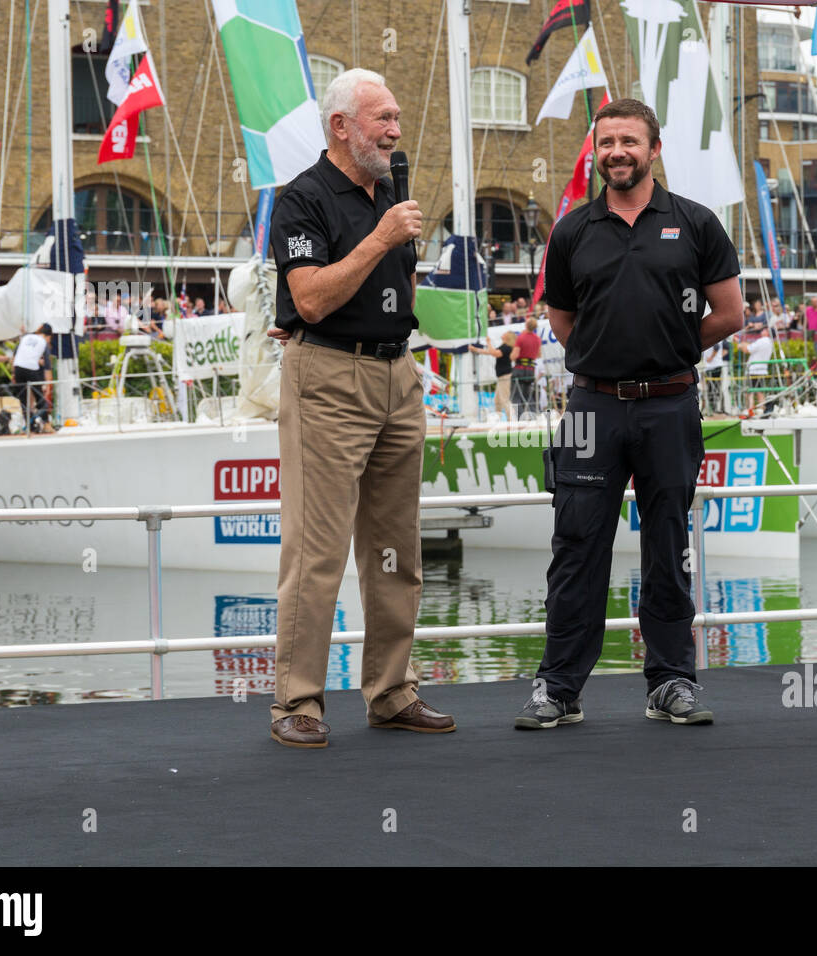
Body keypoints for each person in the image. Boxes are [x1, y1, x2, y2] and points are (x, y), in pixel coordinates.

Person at [515, 98, 742, 730]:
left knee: (668, 545)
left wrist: (667, 348)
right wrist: (607, 355)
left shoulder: (696, 224)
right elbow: (561, 319)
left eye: (629, 141)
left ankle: (671, 680)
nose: (617, 151)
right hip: (591, 405)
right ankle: (558, 687)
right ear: (597, 150)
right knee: (576, 544)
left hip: (669, 405)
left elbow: (729, 313)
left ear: (653, 149)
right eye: (607, 141)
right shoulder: (572, 231)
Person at [263, 67, 454, 748]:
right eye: (382, 118)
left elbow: (397, 287)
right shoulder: (302, 199)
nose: (396, 131)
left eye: (397, 118)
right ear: (341, 125)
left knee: (398, 549)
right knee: (317, 552)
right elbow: (310, 298)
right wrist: (380, 237)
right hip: (328, 377)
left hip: (396, 373)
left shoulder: (389, 196)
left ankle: (392, 691)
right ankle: (298, 701)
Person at [11, 323, 54, 431]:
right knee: (40, 398)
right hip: (31, 369)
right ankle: (46, 424)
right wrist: (48, 386)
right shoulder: (43, 342)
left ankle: (29, 425)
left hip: (18, 368)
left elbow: (15, 356)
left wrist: (13, 374)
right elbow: (48, 367)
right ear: (48, 336)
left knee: (23, 400)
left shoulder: (25, 337)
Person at [468, 330, 515, 416]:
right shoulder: (503, 347)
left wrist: (488, 342)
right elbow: (489, 352)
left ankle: (511, 419)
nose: (503, 334)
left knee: (504, 399)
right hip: (501, 376)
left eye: (505, 333)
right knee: (497, 400)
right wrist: (475, 349)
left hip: (505, 376)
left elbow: (494, 353)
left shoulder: (507, 347)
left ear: (508, 337)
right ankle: (499, 418)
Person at [510, 315, 541, 419]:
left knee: (515, 395)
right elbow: (538, 355)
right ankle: (534, 416)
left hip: (519, 369)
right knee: (528, 395)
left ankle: (520, 418)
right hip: (531, 369)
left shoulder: (521, 337)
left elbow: (514, 355)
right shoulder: (537, 339)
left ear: (526, 325)